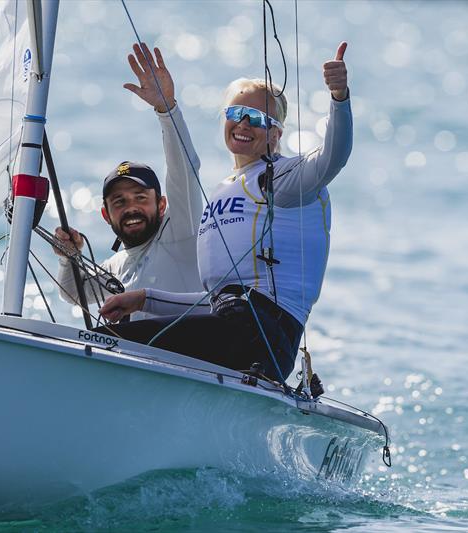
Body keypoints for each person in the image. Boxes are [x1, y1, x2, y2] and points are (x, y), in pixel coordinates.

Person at [98, 43, 353, 383]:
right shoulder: (223, 190)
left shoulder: (286, 179)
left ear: (276, 134)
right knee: (109, 338)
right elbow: (213, 303)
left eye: (258, 119)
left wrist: (339, 97)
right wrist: (144, 299)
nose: (243, 124)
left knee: (108, 344)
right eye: (235, 114)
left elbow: (332, 158)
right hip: (235, 327)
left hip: (263, 333)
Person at [54, 43, 203, 320]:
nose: (131, 208)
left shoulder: (182, 232)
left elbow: (184, 169)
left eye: (140, 198)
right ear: (106, 215)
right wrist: (68, 256)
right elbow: (73, 292)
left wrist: (166, 109)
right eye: (119, 202)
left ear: (161, 205)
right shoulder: (116, 265)